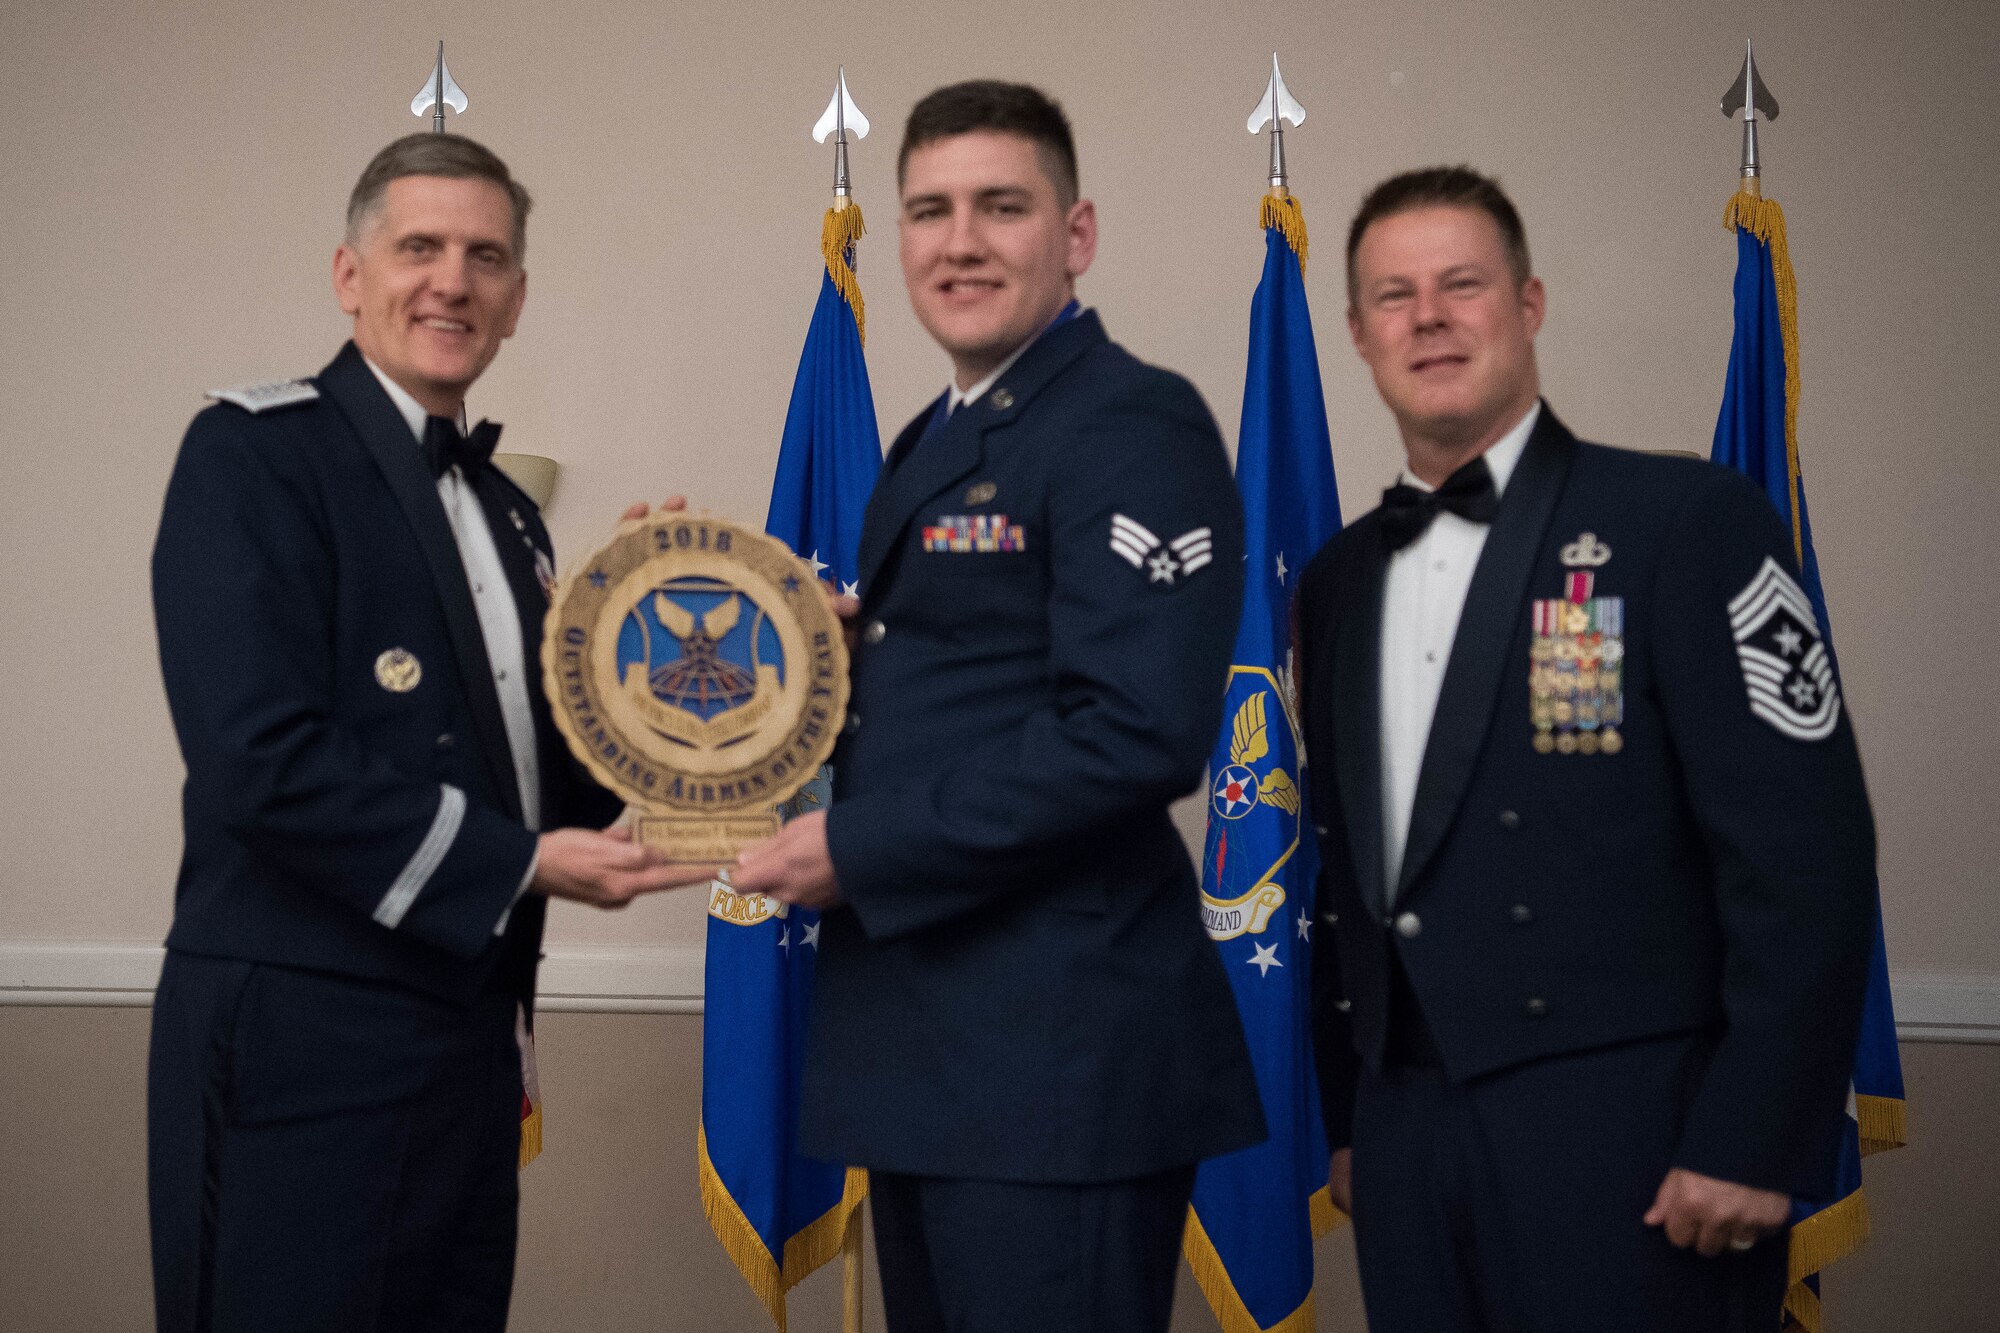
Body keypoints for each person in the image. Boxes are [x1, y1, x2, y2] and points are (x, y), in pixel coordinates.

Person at [1295, 164, 1878, 1332]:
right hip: (1407, 1131)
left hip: (1636, 1129)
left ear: (1527, 302)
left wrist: (1752, 1135)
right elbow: (1345, 868)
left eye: (1461, 284)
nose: (1429, 317)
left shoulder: (1686, 523)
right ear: (1356, 333)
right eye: (1394, 295)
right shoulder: (1336, 577)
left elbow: (1804, 855)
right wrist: (1351, 1118)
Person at [147, 133, 711, 1333]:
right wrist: (514, 865)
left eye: (485, 256)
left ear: (515, 298)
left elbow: (543, 780)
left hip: (466, 1038)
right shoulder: (253, 456)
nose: (452, 280)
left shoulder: (511, 515)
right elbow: (260, 759)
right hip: (306, 1045)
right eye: (420, 248)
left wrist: (657, 654)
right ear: (350, 275)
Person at [729, 81, 1265, 1332]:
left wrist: (851, 847)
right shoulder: (936, 437)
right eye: (928, 211)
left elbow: (1133, 730)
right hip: (937, 1055)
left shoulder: (1128, 421)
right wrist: (778, 633)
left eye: (999, 206)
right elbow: (955, 687)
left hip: (1052, 1063)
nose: (958, 241)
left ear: (1073, 234)